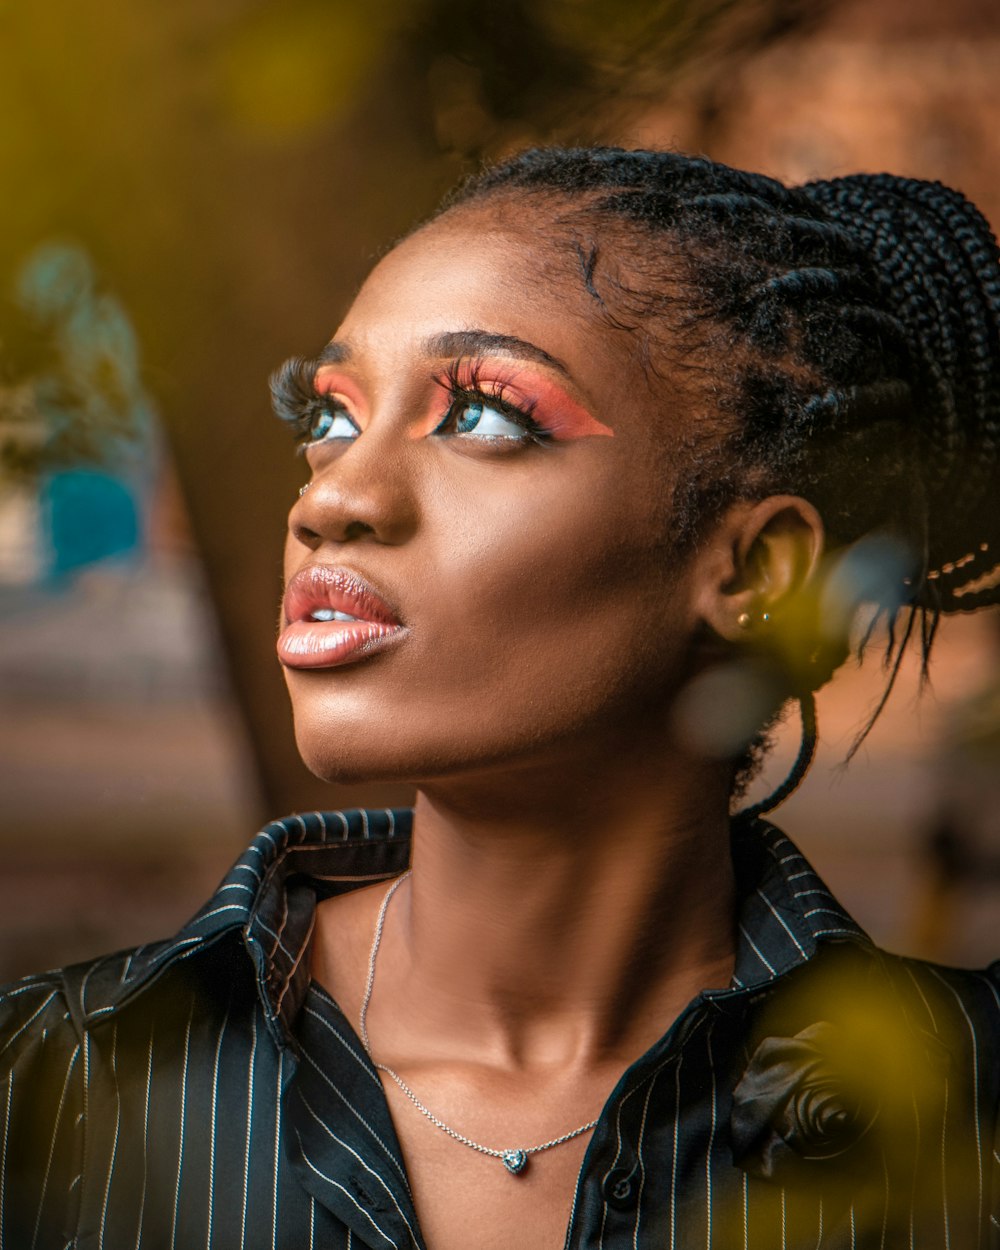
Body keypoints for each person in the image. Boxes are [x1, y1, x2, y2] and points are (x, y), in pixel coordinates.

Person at [4, 146, 1000, 1249]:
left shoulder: (972, 1122)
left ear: (757, 571)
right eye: (331, 416)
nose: (334, 497)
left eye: (483, 416)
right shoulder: (45, 1090)